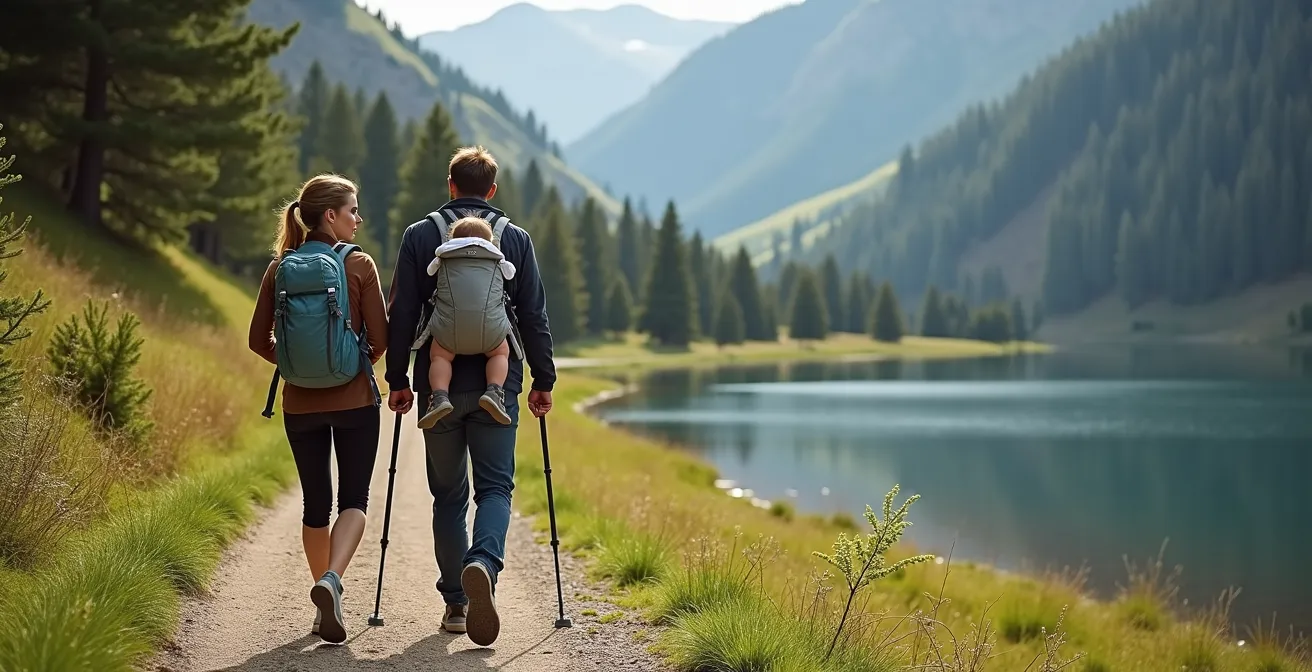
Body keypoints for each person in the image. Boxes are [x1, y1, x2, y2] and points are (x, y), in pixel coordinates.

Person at [386, 146, 555, 647]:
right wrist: (543, 381)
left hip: (438, 384)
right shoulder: (516, 240)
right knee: (496, 489)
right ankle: (483, 563)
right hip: (496, 388)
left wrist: (397, 379)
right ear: (493, 191)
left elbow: (402, 314)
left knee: (448, 497)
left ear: (451, 186)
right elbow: (533, 316)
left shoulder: (420, 236)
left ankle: (457, 604)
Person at [247, 174, 388, 645]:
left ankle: (323, 598)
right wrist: (350, 368)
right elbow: (382, 340)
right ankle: (332, 580)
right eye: (352, 210)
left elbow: (256, 340)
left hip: (299, 405)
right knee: (354, 500)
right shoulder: (360, 264)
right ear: (331, 215)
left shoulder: (280, 267)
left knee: (315, 503)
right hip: (356, 402)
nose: (358, 218)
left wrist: (293, 366)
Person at [415, 216, 517, 430]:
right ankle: (494, 391)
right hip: (490, 331)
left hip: (449, 331)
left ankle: (440, 395)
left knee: (440, 356)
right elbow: (511, 273)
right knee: (500, 353)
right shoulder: (498, 259)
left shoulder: (443, 256)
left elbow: (429, 272)